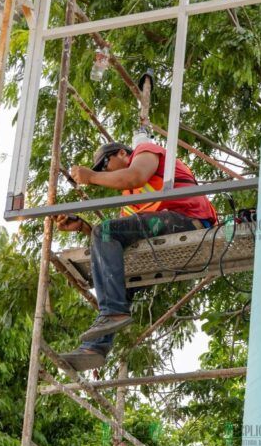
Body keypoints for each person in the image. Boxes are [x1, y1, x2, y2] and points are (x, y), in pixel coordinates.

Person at [56, 140, 218, 371]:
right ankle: (96, 347)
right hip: (161, 232)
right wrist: (84, 227)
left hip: (187, 220)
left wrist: (90, 176)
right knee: (120, 278)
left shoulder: (145, 153)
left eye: (104, 164)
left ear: (122, 153)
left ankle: (112, 313)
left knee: (107, 238)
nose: (104, 172)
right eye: (100, 170)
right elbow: (114, 240)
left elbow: (135, 176)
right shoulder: (129, 196)